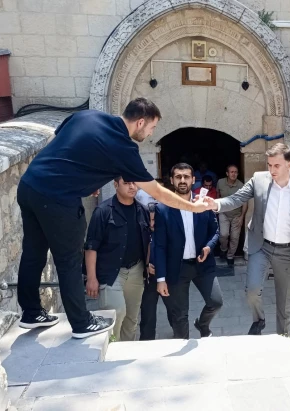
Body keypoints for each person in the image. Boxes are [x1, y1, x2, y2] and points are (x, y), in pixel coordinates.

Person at [16, 98, 211, 339]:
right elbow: (158, 192)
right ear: (140, 122)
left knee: (33, 252)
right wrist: (193, 207)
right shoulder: (125, 147)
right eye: (152, 127)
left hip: (29, 186)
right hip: (58, 199)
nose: (151, 133)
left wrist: (86, 180)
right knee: (68, 261)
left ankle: (31, 312)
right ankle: (81, 323)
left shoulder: (88, 116)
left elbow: (66, 148)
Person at [206, 143, 290, 336]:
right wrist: (215, 204)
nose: (272, 170)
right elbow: (236, 198)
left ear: (289, 164)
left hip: (288, 251)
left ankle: (283, 336)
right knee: (252, 290)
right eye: (269, 165)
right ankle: (259, 320)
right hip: (262, 246)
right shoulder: (259, 180)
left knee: (285, 301)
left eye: (277, 165)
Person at [140, 163, 223, 340]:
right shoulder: (163, 209)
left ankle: (202, 324)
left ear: (193, 180)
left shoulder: (203, 203)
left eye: (186, 177)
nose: (182, 180)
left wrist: (209, 246)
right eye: (178, 177)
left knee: (216, 302)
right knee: (179, 316)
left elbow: (215, 231)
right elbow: (159, 245)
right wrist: (161, 279)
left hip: (202, 265)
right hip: (177, 268)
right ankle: (182, 348)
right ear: (172, 180)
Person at [84, 177, 150, 341]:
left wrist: (148, 265)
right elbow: (91, 247)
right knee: (116, 314)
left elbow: (147, 241)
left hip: (136, 271)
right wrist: (91, 278)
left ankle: (126, 351)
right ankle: (111, 349)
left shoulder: (142, 210)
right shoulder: (103, 211)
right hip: (111, 272)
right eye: (126, 183)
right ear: (115, 185)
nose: (132, 186)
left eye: (134, 183)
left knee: (131, 319)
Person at [216, 164, 247, 266]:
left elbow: (245, 202)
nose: (234, 174)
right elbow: (218, 195)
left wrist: (242, 217)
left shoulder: (241, 186)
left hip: (236, 215)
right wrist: (217, 209)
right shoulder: (220, 182)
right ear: (227, 173)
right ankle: (223, 249)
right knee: (223, 234)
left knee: (235, 237)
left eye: (236, 172)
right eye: (232, 172)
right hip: (224, 213)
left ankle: (230, 256)